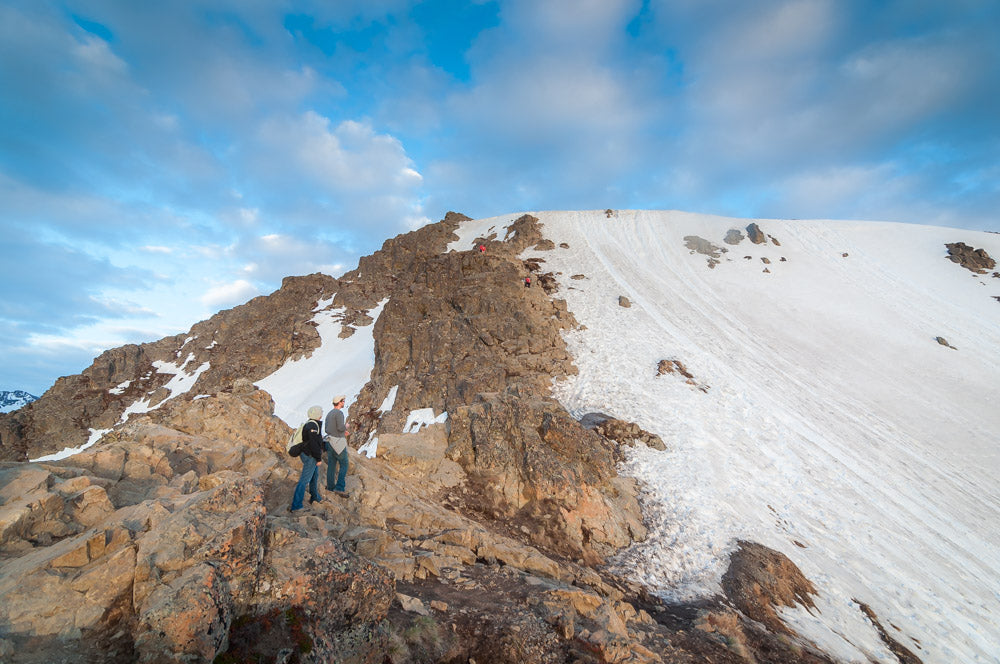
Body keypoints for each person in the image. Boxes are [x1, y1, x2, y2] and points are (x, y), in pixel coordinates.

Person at [290, 405, 324, 512]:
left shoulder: (311, 424)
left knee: (314, 476)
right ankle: (296, 506)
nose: (321, 413)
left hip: (307, 454)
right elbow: (314, 444)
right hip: (311, 457)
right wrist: (318, 459)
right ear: (317, 415)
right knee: (304, 480)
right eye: (320, 412)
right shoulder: (312, 427)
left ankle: (315, 497)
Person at [324, 394, 350, 496]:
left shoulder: (329, 413)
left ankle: (330, 486)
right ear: (339, 402)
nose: (344, 402)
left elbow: (328, 429)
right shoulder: (339, 413)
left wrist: (342, 432)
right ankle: (339, 488)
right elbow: (340, 427)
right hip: (338, 443)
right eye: (343, 401)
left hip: (329, 441)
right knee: (344, 464)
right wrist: (345, 427)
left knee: (331, 465)